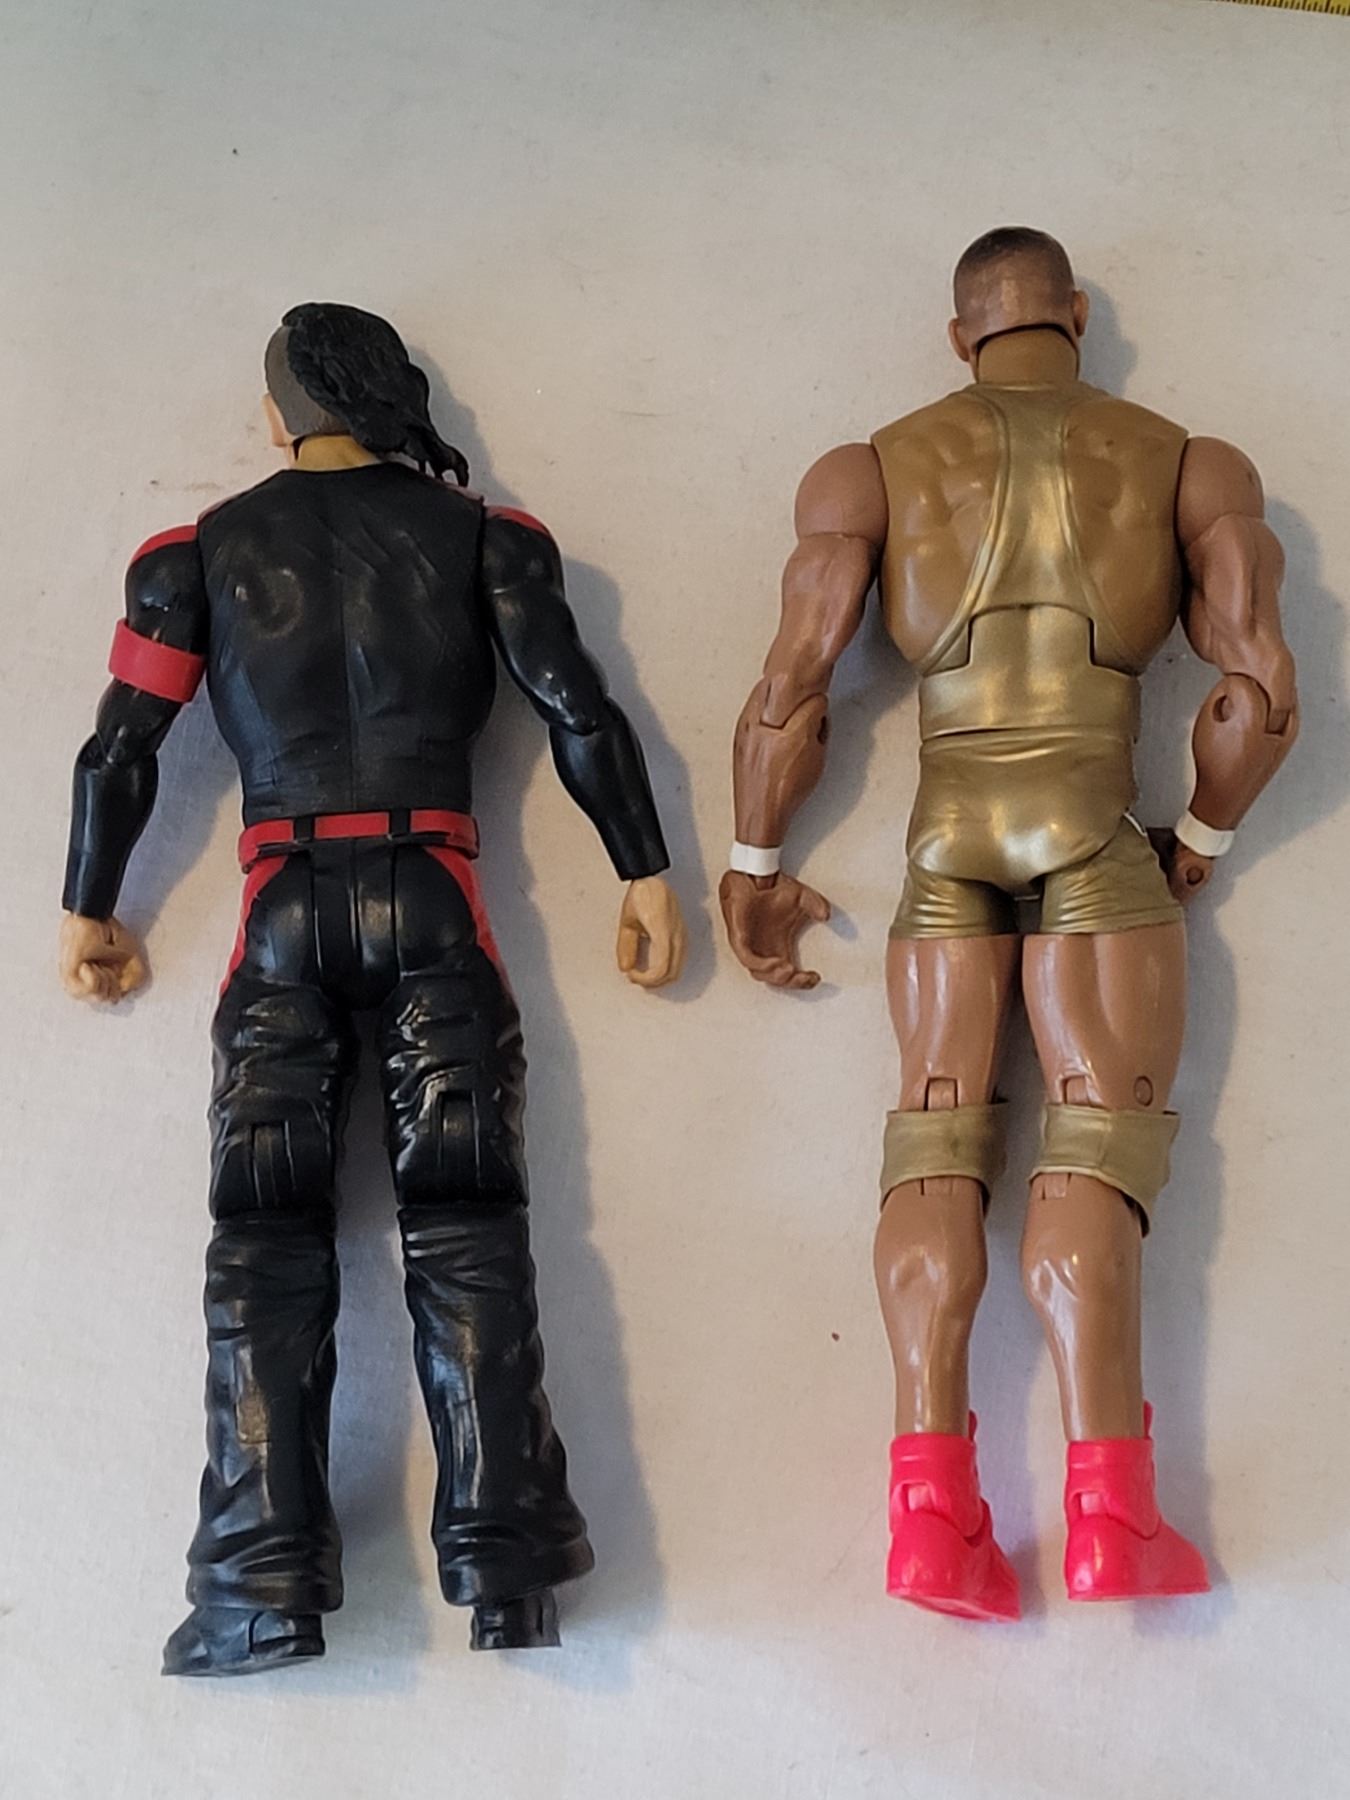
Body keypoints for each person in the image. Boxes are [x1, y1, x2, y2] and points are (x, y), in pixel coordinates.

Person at [60, 302, 687, 1674]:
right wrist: (645, 874)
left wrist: (89, 904)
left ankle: (257, 1587)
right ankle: (509, 1572)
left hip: (281, 909)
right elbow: (578, 708)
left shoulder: (191, 557)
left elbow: (119, 751)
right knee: (471, 1228)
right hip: (434, 894)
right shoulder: (489, 540)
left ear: (277, 416)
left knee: (262, 1244)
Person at [720, 228, 1297, 1619]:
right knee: (1095, 1145)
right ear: (1075, 314)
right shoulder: (1187, 464)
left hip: (944, 844)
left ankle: (929, 1518)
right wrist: (1202, 838)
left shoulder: (867, 468)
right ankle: (1112, 1519)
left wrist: (752, 861)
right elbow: (1256, 692)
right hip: (1094, 831)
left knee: (931, 1139)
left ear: (958, 333)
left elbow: (791, 684)